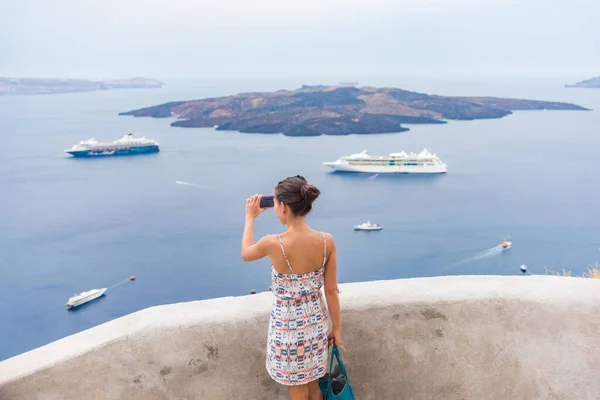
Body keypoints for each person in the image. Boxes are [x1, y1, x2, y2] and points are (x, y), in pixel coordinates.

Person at [241, 175, 341, 400]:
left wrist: (250, 218)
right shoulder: (327, 241)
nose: (275, 209)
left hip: (287, 330)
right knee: (314, 387)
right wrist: (337, 329)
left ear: (284, 207)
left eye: (275, 203)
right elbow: (331, 291)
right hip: (316, 325)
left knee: (297, 391)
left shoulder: (273, 243)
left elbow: (246, 253)